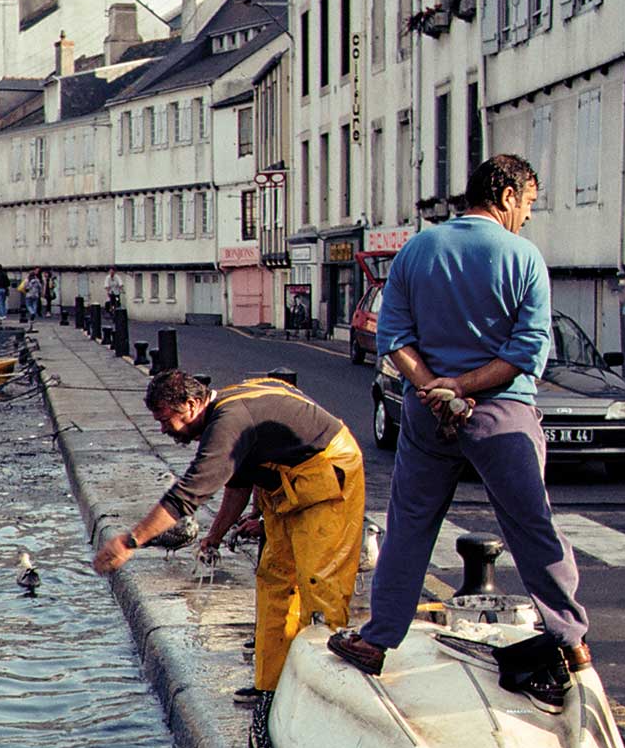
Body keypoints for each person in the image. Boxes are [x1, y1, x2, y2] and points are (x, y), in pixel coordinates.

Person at [327, 153, 589, 712]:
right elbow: (526, 351)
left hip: (427, 414)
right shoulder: (523, 256)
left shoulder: (416, 250)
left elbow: (393, 338)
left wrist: (433, 389)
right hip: (501, 412)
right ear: (507, 195)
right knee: (531, 526)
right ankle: (570, 641)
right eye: (529, 203)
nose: (528, 215)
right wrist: (465, 387)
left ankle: (376, 641)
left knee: (410, 523)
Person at [94, 370, 365, 706]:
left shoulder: (228, 422)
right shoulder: (225, 416)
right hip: (287, 484)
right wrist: (215, 536)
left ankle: (328, 694)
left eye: (165, 420)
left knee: (319, 584)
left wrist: (130, 541)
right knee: (274, 579)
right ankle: (271, 685)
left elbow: (189, 493)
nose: (163, 429)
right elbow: (237, 486)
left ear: (191, 404)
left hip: (328, 473)